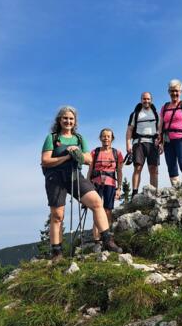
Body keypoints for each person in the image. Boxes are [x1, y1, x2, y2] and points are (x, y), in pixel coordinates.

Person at [41, 106, 122, 260]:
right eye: (65, 118)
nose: (68, 121)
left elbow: (89, 159)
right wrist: (67, 156)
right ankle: (57, 252)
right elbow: (45, 161)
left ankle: (107, 240)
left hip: (74, 175)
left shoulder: (79, 138)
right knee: (57, 215)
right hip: (55, 177)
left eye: (71, 119)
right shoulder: (52, 138)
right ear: (59, 120)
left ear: (75, 121)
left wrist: (77, 154)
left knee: (97, 202)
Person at [88, 128, 124, 252]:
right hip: (95, 183)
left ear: (112, 138)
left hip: (110, 183)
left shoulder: (117, 153)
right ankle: (97, 239)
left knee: (108, 210)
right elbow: (90, 169)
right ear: (100, 138)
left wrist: (119, 188)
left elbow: (119, 171)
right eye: (104, 136)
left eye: (108, 136)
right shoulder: (94, 152)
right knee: (96, 210)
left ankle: (107, 239)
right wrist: (87, 185)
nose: (106, 138)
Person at [126, 92, 160, 196]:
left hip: (153, 143)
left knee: (153, 168)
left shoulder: (156, 113)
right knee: (138, 167)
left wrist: (161, 142)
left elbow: (159, 129)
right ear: (141, 100)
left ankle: (154, 192)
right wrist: (128, 144)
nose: (146, 101)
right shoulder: (135, 114)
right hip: (138, 143)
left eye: (148, 99)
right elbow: (129, 130)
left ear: (151, 100)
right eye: (144, 99)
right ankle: (135, 193)